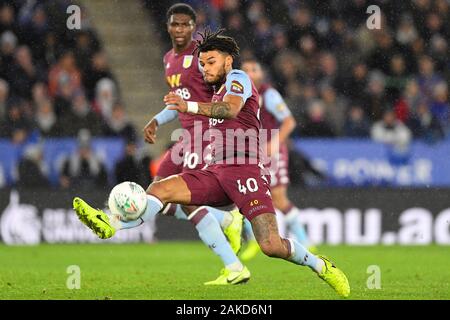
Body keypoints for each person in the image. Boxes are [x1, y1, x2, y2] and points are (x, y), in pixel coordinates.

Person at [73, 28, 350, 297]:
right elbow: (194, 108)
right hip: (215, 172)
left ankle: (321, 265)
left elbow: (230, 110)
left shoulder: (238, 79)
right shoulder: (213, 92)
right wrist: (165, 117)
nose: (205, 68)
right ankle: (112, 223)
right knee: (160, 189)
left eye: (211, 62)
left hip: (246, 171)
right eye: (202, 63)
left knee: (271, 245)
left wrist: (189, 107)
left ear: (228, 61)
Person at [87, 4, 246, 285]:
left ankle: (112, 222)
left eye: (186, 24)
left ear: (194, 26)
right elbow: (178, 102)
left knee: (183, 200)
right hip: (186, 138)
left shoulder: (202, 57)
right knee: (158, 195)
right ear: (168, 26)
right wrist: (156, 120)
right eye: (175, 24)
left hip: (207, 135)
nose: (180, 29)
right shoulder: (168, 59)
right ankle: (226, 224)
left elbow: (223, 89)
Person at [239, 58, 315, 261]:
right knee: (245, 195)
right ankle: (254, 242)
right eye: (245, 70)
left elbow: (289, 121)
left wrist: (275, 143)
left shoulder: (268, 94)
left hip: (271, 152)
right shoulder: (236, 95)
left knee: (279, 198)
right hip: (249, 152)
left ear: (261, 74)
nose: (249, 73)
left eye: (254, 69)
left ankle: (305, 242)